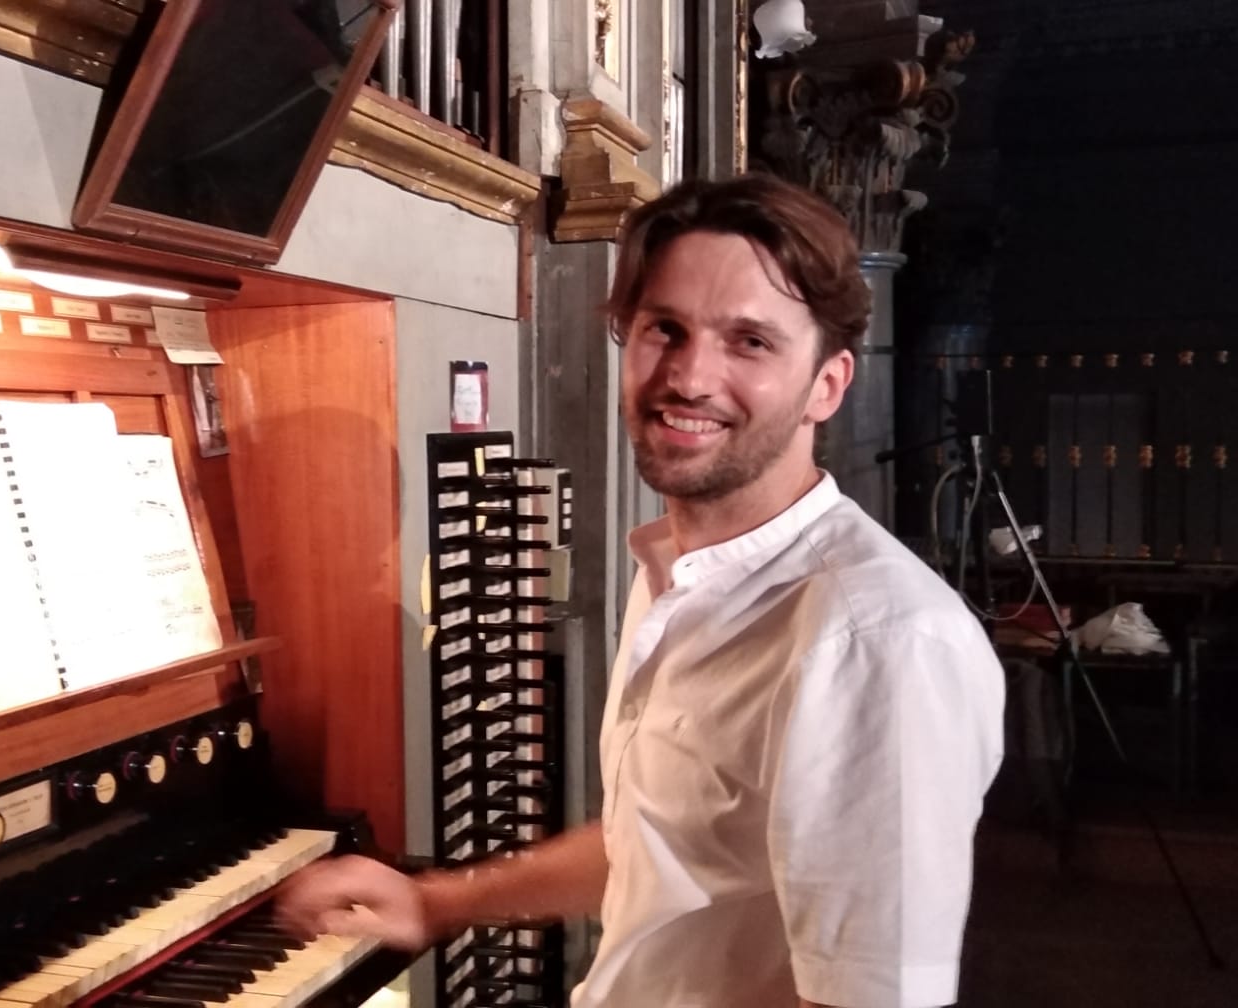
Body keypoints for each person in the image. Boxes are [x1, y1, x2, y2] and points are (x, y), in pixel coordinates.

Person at [275, 173, 1006, 1008]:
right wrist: (436, 902)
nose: (690, 378)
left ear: (828, 385)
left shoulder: (879, 642)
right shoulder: (681, 573)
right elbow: (658, 844)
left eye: (750, 342)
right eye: (666, 329)